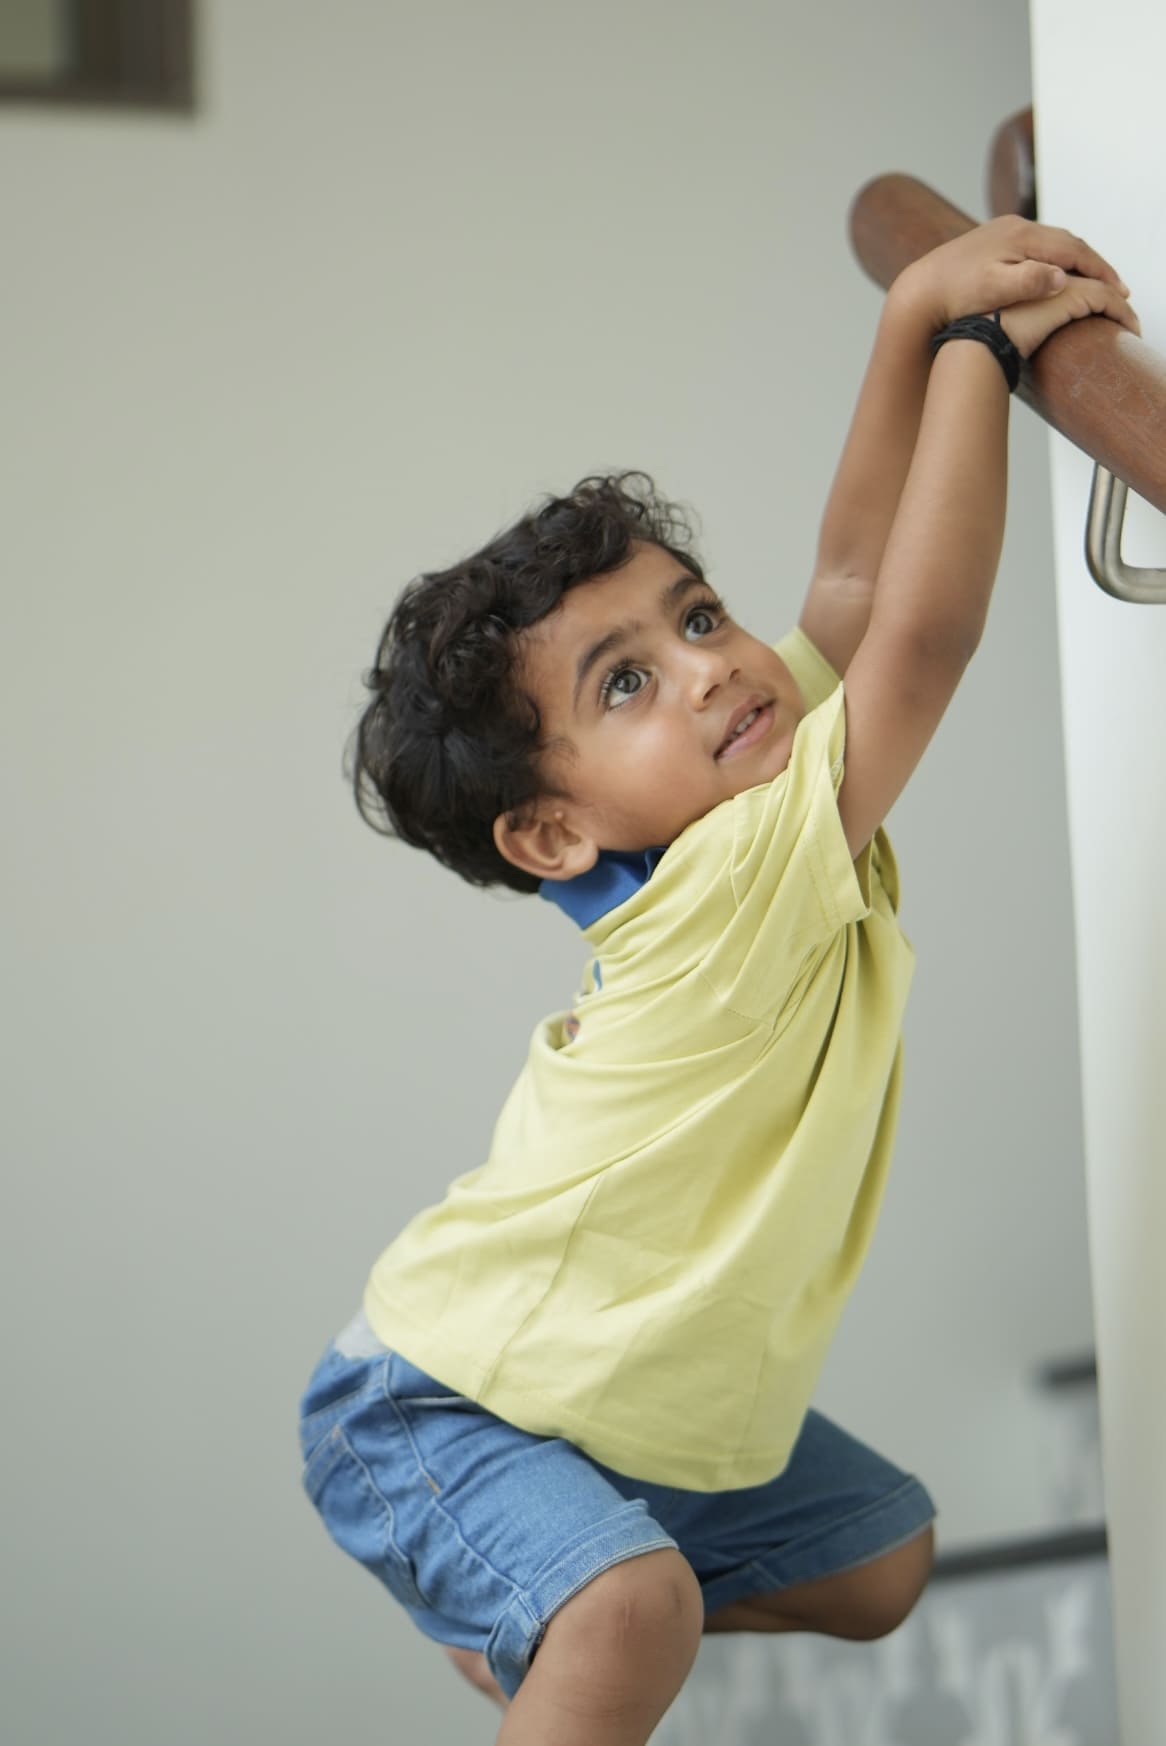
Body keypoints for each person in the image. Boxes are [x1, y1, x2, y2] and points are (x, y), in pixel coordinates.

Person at [298, 217, 1137, 1746]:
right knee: (637, 1615)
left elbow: (845, 584)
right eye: (626, 682)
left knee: (882, 1559)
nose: (706, 666)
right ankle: (571, 1612)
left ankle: (545, 1606)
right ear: (552, 830)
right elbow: (924, 627)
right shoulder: (734, 888)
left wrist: (911, 314)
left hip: (603, 1402)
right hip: (435, 1404)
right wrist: (975, 348)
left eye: (693, 615)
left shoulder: (742, 804)